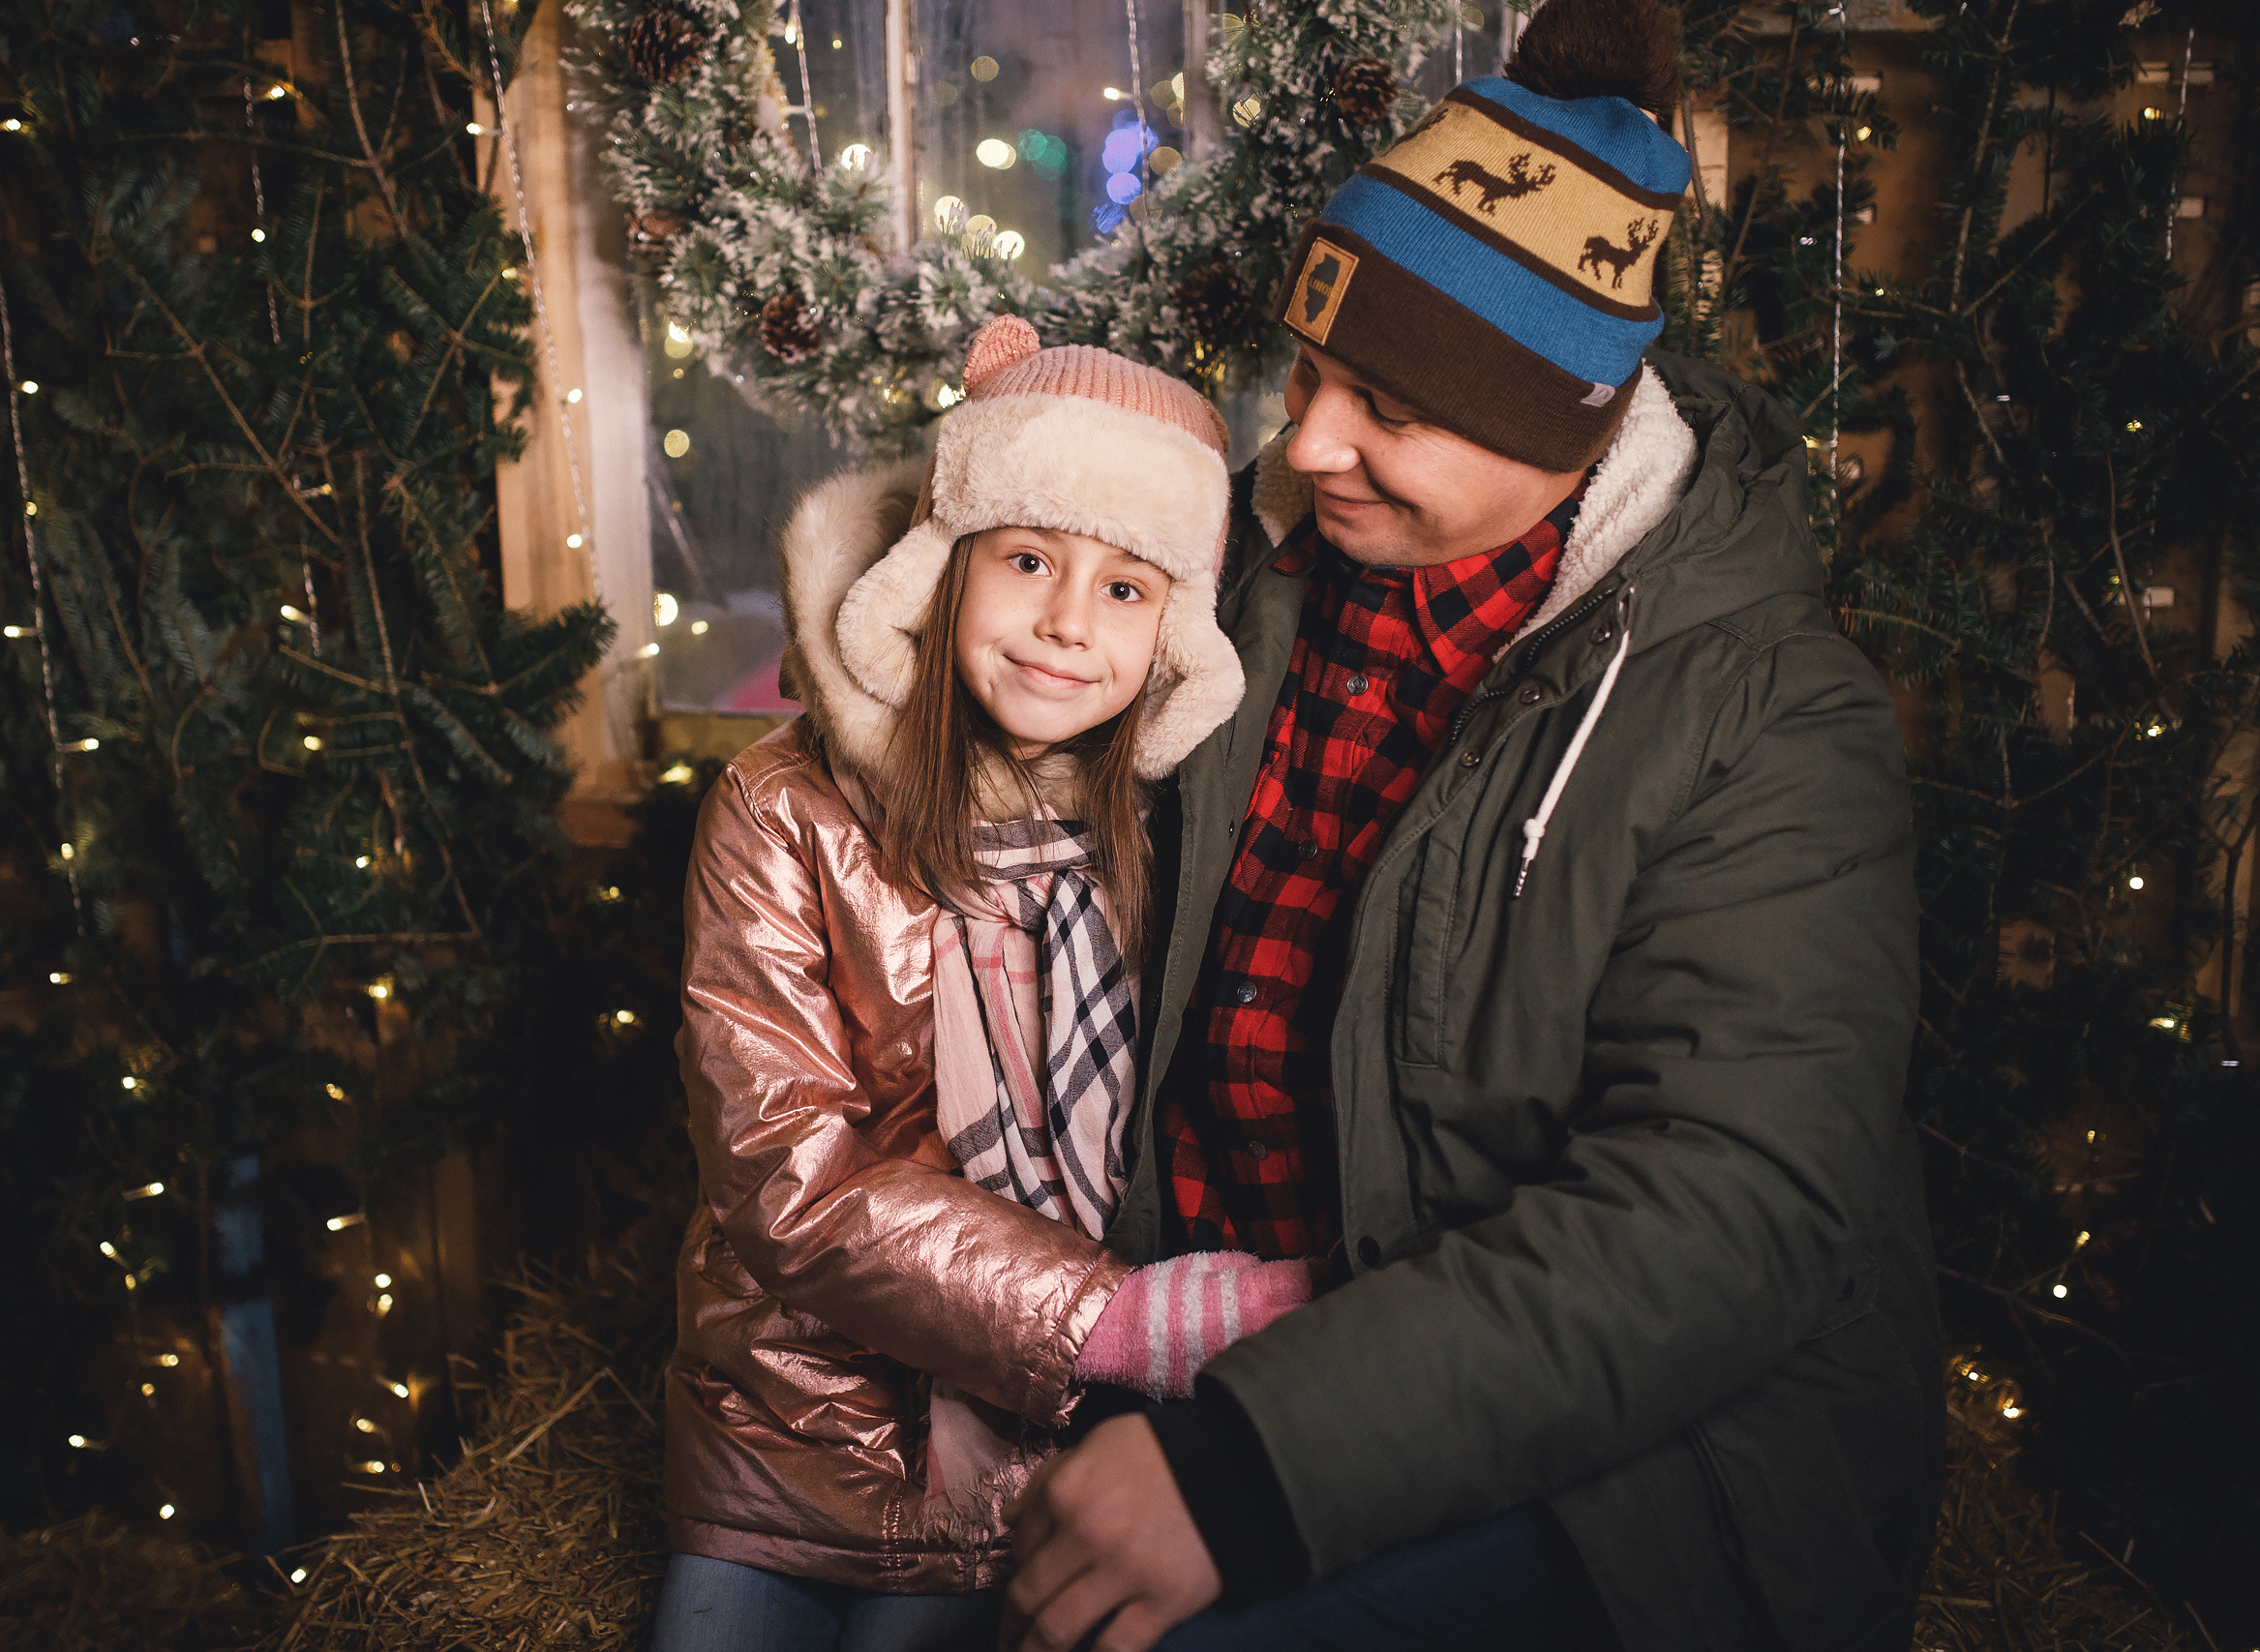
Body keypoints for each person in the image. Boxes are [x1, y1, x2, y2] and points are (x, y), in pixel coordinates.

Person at [1000, 1, 1940, 1649]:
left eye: (1390, 407)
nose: (1307, 441)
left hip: (1623, 1466)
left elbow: (1722, 1210)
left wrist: (1250, 1466)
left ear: (1569, 421)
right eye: (1305, 373)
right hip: (1197, 1338)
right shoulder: (1253, 585)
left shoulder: (1770, 720)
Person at [655, 319, 1313, 1652]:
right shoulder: (785, 807)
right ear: (938, 571)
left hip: (1052, 1447)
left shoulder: (1169, 827)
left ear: (1177, 634)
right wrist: (1118, 1320)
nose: (1070, 623)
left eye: (1128, 589)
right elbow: (785, 1172)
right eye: (1029, 561)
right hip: (801, 1418)